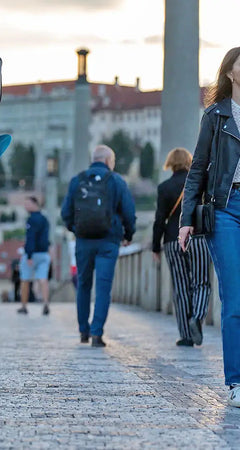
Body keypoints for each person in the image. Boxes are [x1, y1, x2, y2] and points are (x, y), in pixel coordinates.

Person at [178, 46, 240, 408]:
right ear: (230, 72)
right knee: (234, 298)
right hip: (227, 208)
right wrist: (186, 219)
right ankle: (236, 381)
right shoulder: (215, 115)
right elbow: (198, 167)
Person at [61, 145, 136, 348]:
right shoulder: (116, 181)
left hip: (83, 241)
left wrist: (76, 229)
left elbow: (66, 212)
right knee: (103, 287)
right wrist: (128, 235)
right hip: (108, 241)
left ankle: (83, 331)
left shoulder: (78, 180)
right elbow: (129, 212)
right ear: (108, 161)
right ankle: (96, 334)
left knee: (83, 285)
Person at [153, 148, 211, 347]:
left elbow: (159, 219)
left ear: (170, 163)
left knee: (180, 286)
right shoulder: (201, 182)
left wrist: (155, 247)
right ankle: (198, 316)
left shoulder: (164, 187)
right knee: (201, 281)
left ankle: (186, 335)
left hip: (172, 239)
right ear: (189, 161)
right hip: (199, 237)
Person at [17, 196, 51, 315]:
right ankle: (46, 303)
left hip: (32, 254)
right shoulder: (45, 219)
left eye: (28, 204)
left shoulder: (31, 220)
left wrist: (29, 255)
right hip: (44, 253)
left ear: (35, 204)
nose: (26, 207)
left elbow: (31, 238)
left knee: (25, 279)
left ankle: (24, 306)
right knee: (43, 279)